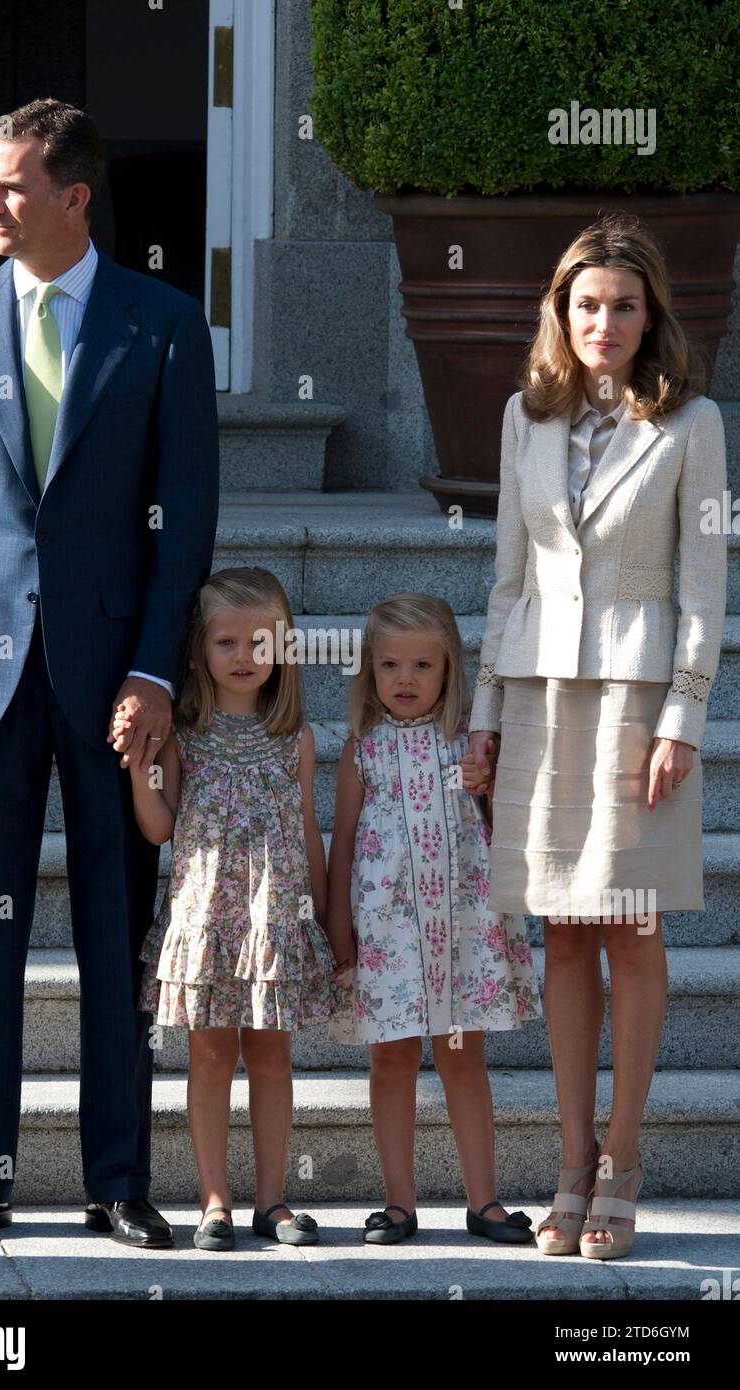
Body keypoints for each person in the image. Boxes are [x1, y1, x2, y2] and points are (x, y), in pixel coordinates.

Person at [0, 99, 219, 1246]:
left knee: (116, 934)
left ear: (74, 198)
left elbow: (186, 528)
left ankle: (118, 1179)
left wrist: (155, 674)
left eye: (10, 185)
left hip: (113, 681)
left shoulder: (165, 323)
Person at [463, 212, 728, 1259]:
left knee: (631, 927)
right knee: (561, 933)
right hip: (536, 700)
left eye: (623, 305)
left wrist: (683, 718)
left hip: (634, 706)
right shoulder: (522, 419)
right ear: (558, 313)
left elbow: (704, 592)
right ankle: (570, 1164)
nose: (603, 322)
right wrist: (481, 721)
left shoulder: (692, 424)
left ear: (649, 312)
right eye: (585, 304)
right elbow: (506, 577)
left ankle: (622, 1160)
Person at [119, 567, 339, 1249]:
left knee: (272, 1059)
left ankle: (272, 1201)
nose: (245, 658)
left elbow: (307, 831)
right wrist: (138, 768)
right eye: (227, 643)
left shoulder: (294, 737)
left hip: (275, 925)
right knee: (210, 1059)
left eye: (260, 643)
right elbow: (159, 828)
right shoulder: (185, 736)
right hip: (208, 920)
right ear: (196, 652)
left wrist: (327, 922)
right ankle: (214, 1199)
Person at [326, 593, 542, 1244]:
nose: (406, 679)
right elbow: (340, 845)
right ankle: (399, 1203)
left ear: (449, 669)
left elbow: (505, 830)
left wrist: (489, 784)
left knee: (463, 1059)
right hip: (387, 940)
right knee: (390, 1063)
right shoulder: (361, 750)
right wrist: (341, 941)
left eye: (424, 665)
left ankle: (484, 1202)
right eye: (390, 665)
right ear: (371, 671)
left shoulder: (467, 747)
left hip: (462, 938)